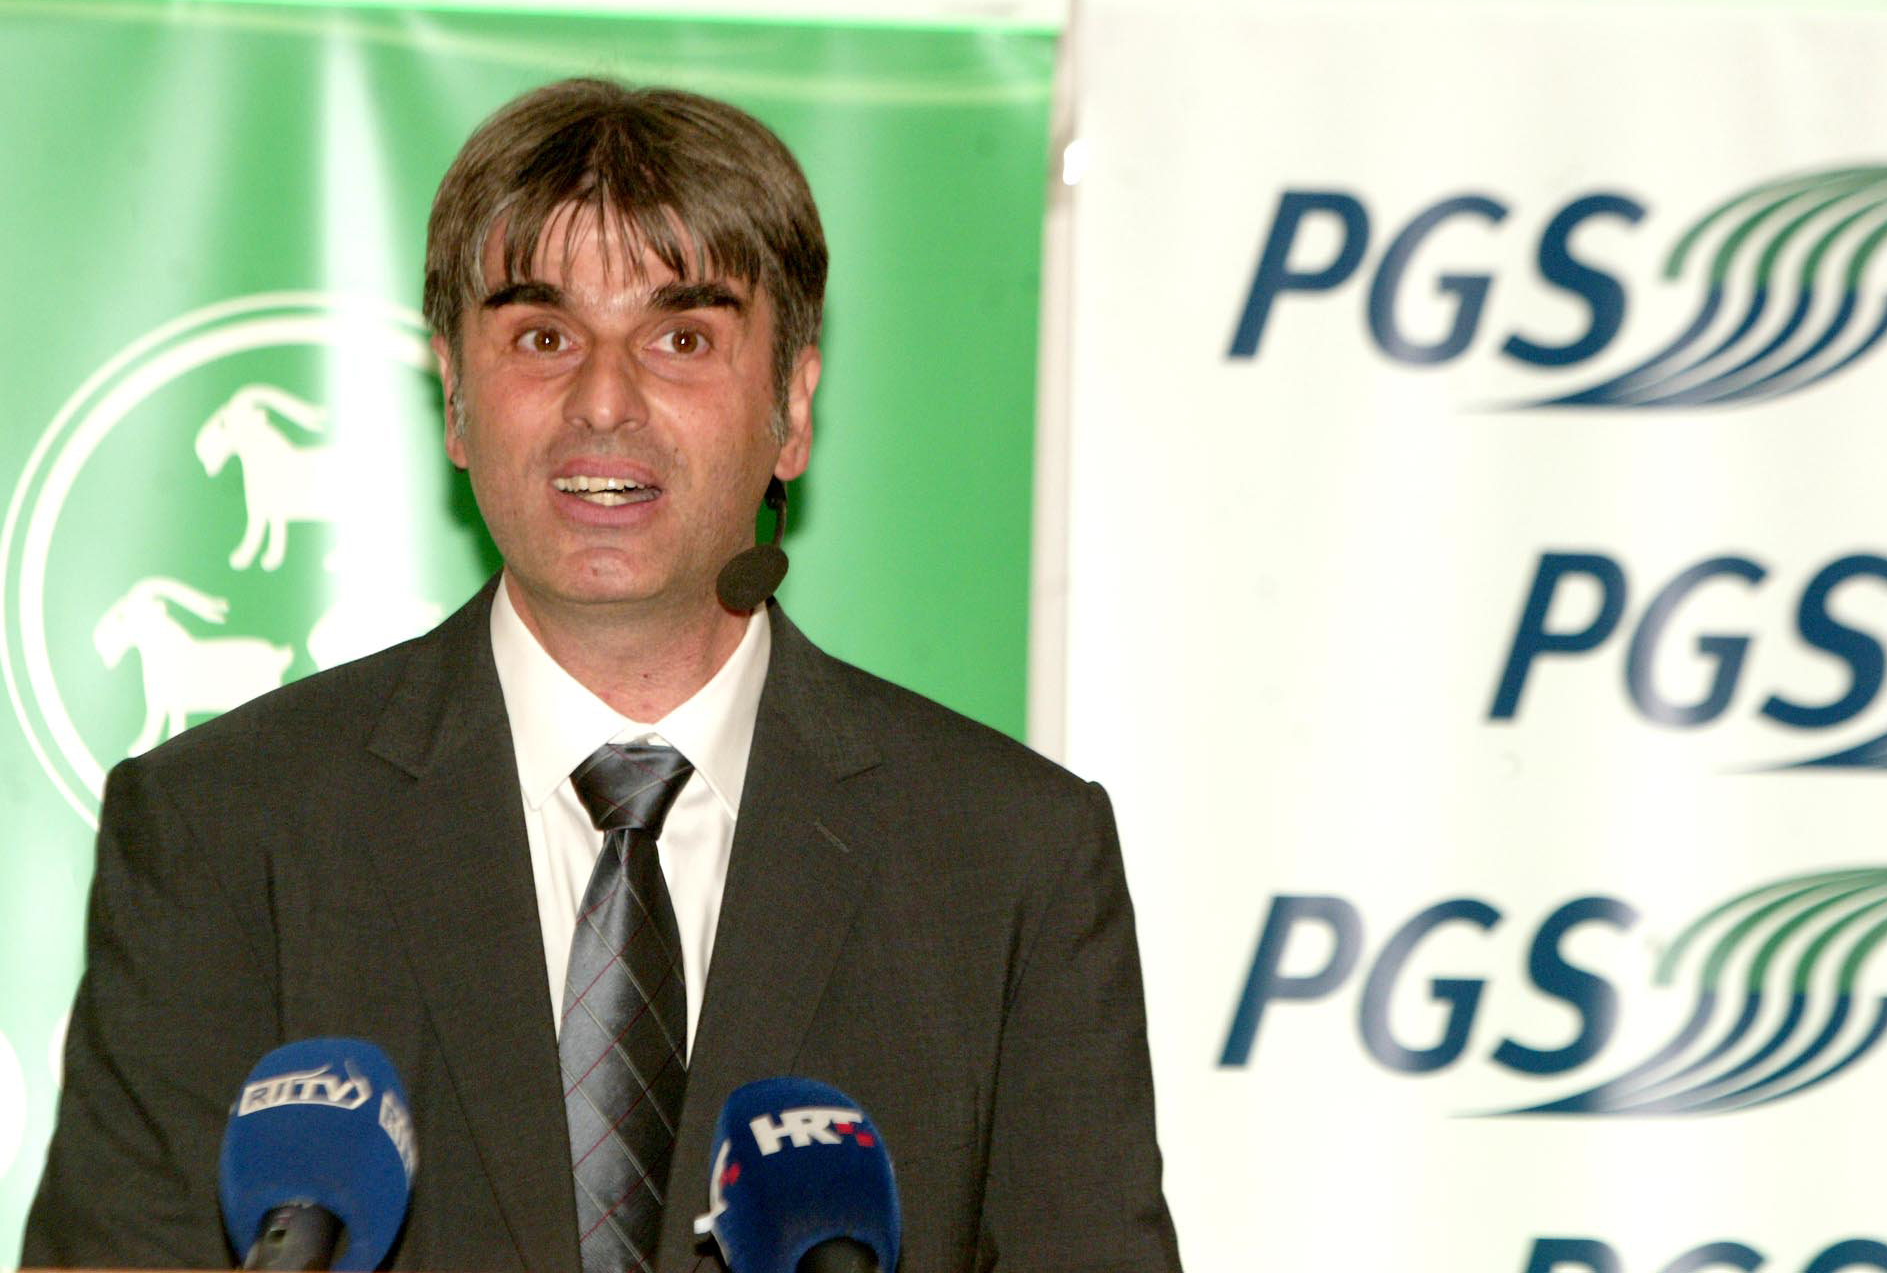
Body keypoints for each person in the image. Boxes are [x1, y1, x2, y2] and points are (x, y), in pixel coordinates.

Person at [22, 78, 1180, 1271]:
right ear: (455, 399)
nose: (605, 400)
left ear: (792, 408)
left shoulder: (1008, 859)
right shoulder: (225, 829)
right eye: (543, 337)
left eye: (682, 339)